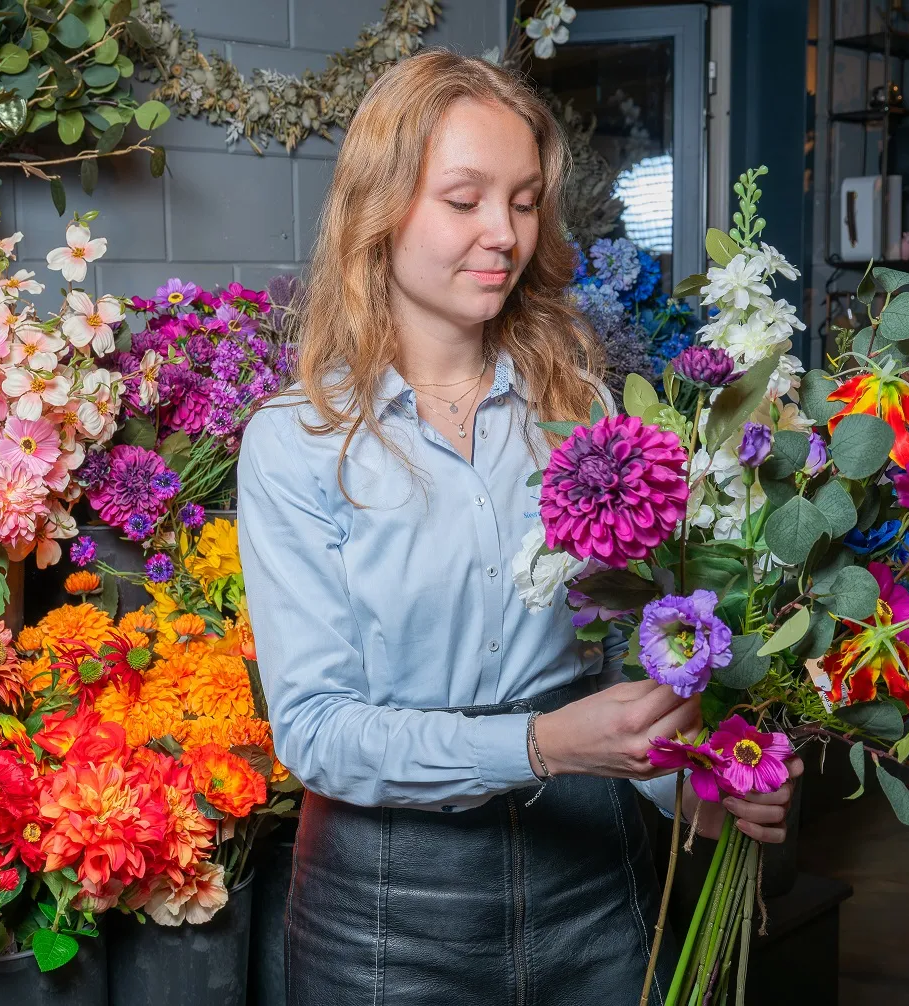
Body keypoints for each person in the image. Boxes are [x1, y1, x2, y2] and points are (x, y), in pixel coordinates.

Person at [236, 48, 800, 1005]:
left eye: (526, 200)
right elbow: (318, 732)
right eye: (465, 200)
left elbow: (635, 659)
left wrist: (700, 783)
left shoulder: (580, 410)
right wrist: (542, 745)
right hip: (386, 911)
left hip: (596, 885)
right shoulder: (299, 444)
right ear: (382, 206)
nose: (503, 232)